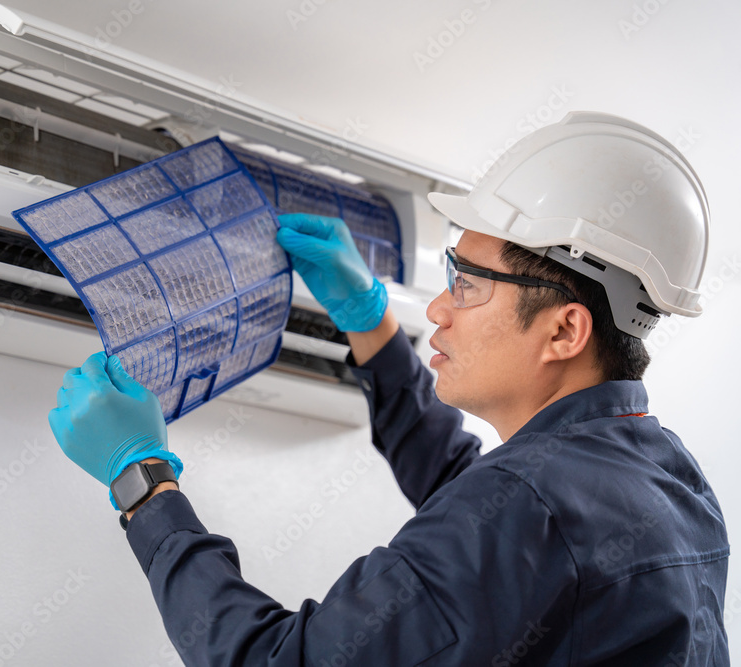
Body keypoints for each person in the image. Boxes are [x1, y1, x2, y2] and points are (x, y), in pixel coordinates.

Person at [48, 112, 730, 664]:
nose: (437, 309)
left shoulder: (528, 505)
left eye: (467, 282)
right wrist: (371, 327)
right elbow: (485, 509)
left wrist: (140, 479)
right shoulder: (667, 475)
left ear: (564, 330)